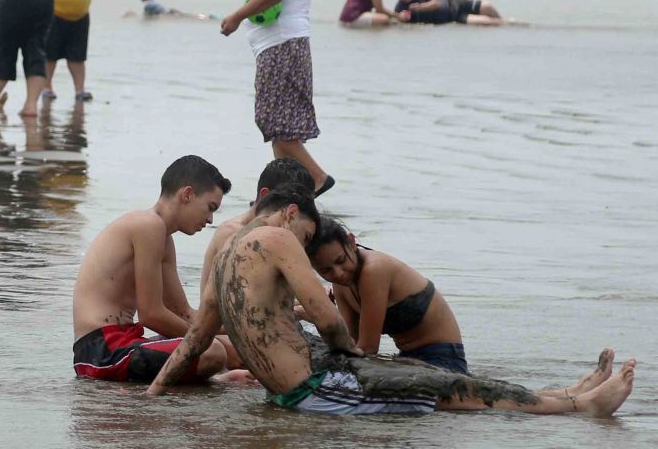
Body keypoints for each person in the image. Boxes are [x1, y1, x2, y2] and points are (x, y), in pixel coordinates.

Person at [150, 189, 635, 418]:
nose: (307, 245)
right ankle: (579, 406)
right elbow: (325, 317)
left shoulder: (223, 261)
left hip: (308, 383)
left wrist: (153, 394)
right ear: (293, 214)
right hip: (320, 387)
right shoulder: (278, 237)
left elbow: (194, 340)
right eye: (308, 234)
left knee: (444, 383)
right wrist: (353, 353)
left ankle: (567, 396)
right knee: (447, 388)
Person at [71, 156, 236, 383]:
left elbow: (182, 313)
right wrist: (206, 341)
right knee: (214, 352)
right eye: (210, 208)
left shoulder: (164, 239)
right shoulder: (148, 225)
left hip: (123, 342)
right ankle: (217, 379)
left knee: (230, 349)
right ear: (187, 194)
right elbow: (151, 315)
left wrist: (237, 330)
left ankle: (217, 374)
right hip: (101, 351)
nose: (209, 219)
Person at [220, 0, 332, 196]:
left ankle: (317, 178)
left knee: (276, 125)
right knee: (280, 127)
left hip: (280, 50)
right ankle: (287, 191)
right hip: (290, 48)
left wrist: (237, 15)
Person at [306, 218, 469, 373]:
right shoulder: (341, 284)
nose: (338, 273)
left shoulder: (374, 270)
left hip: (444, 357)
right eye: (326, 270)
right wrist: (316, 312)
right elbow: (350, 343)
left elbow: (368, 348)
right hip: (407, 358)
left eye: (341, 260)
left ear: (351, 242)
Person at [198, 158, 314, 298]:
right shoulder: (233, 234)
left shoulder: (283, 236)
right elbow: (232, 303)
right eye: (292, 207)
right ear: (265, 196)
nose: (294, 215)